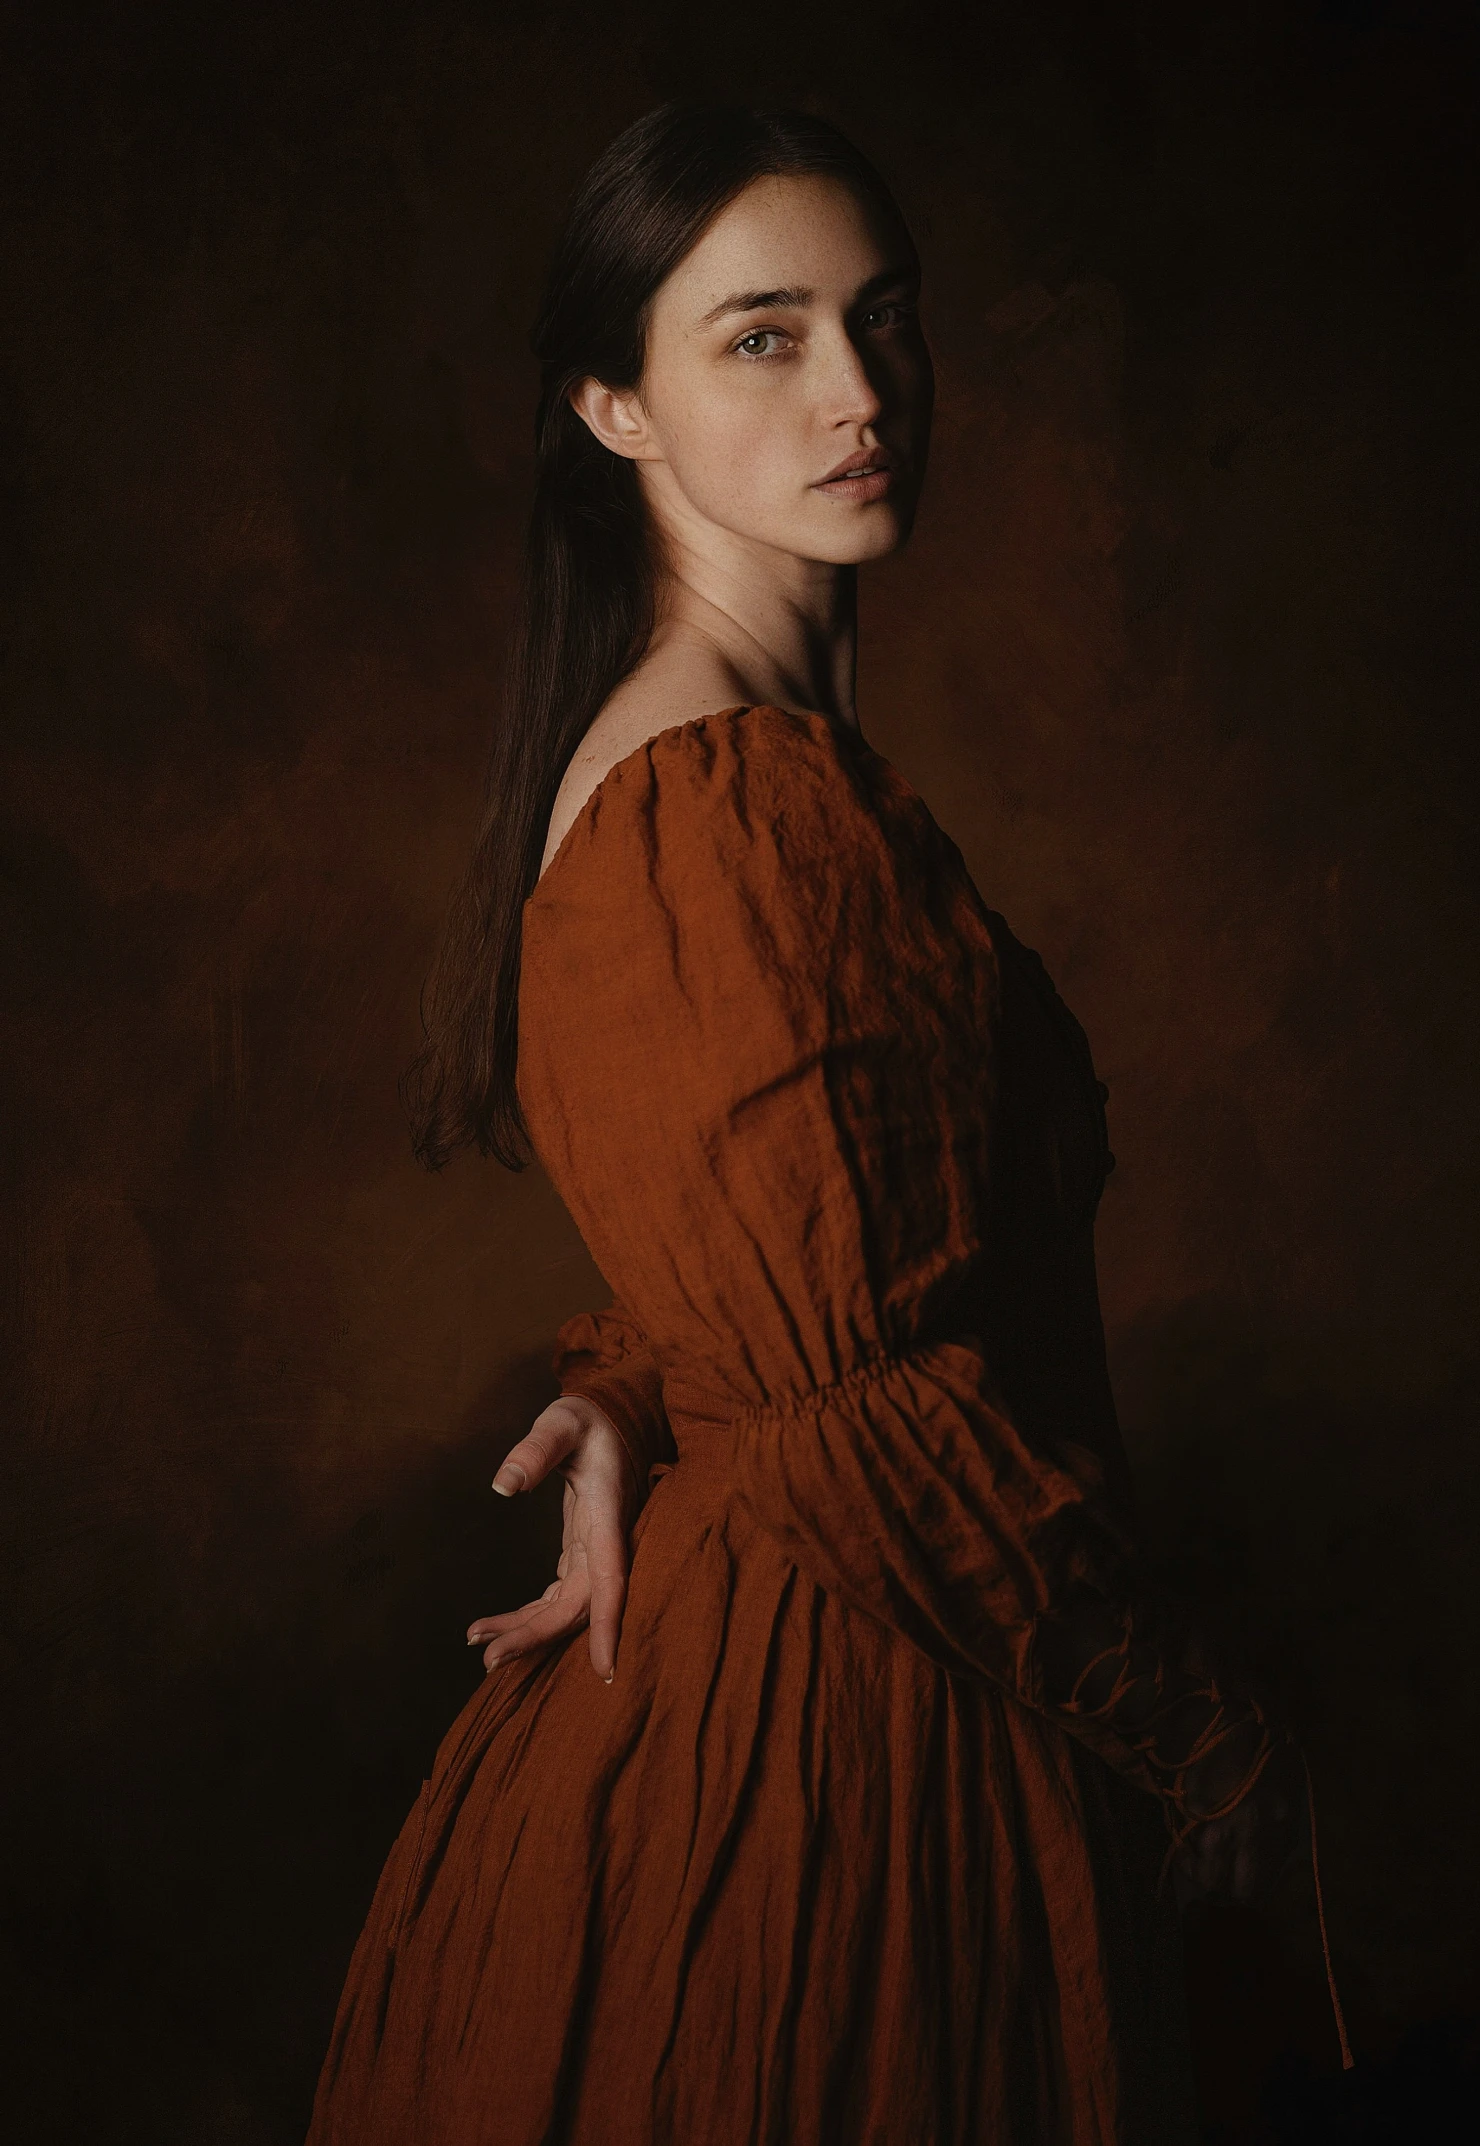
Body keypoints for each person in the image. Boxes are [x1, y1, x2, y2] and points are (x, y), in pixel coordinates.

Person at [308, 100, 1291, 2146]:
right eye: (762, 335)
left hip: (881, 1667)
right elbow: (859, 1405)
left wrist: (647, 1381)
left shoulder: (751, 766)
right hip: (835, 1741)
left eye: (885, 319)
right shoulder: (714, 799)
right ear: (616, 404)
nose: (860, 391)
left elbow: (806, 1246)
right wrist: (1202, 1733)